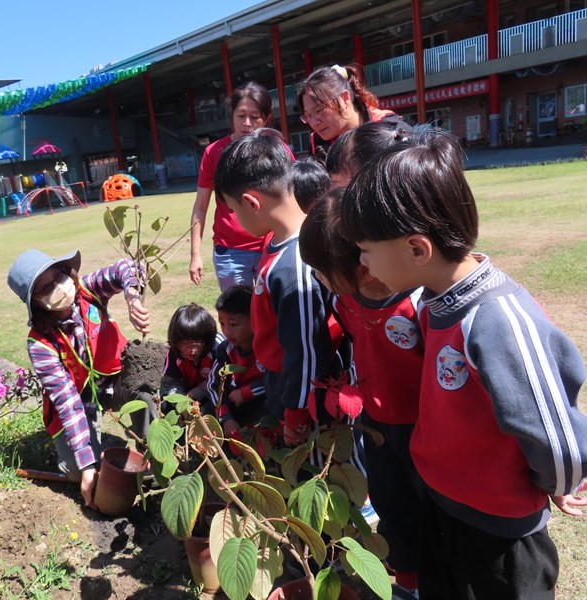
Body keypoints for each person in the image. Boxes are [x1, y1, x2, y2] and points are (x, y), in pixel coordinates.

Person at [339, 130, 587, 599]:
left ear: (416, 249)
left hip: (501, 532)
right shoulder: (435, 303)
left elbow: (558, 440)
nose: (363, 265)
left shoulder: (496, 319)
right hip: (445, 506)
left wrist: (556, 483)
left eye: (366, 250)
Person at [300, 186, 424, 599]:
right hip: (374, 424)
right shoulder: (347, 301)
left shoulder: (415, 304)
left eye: (322, 270)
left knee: (428, 508)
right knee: (391, 504)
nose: (318, 279)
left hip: (423, 429)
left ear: (365, 266)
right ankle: (406, 581)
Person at [214, 128, 349, 447]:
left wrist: (296, 414)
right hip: (278, 379)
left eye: (233, 211)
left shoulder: (295, 265)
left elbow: (303, 349)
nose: (235, 218)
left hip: (301, 392)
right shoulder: (276, 243)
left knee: (303, 458)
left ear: (251, 202)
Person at [7, 249, 154, 508]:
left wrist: (132, 297)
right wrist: (87, 465)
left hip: (114, 381)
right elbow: (67, 403)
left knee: (145, 386)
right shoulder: (40, 344)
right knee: (79, 472)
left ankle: (153, 455)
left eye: (58, 276)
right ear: (36, 302)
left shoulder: (88, 292)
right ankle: (107, 447)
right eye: (45, 287)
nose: (58, 286)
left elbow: (129, 266)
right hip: (80, 401)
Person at [189, 81, 288, 292]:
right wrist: (195, 255)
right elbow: (201, 207)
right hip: (230, 253)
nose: (247, 123)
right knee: (238, 318)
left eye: (255, 117)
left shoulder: (280, 151)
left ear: (267, 118)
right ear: (231, 116)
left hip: (272, 246)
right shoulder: (214, 152)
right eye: (241, 116)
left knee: (273, 315)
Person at [296, 63, 402, 164]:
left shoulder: (391, 130)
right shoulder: (318, 145)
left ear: (345, 98)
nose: (314, 123)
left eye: (319, 110)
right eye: (308, 116)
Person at [207, 284, 265, 438]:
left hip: (263, 400)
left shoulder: (267, 347)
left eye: (233, 324)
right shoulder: (225, 350)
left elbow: (277, 382)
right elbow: (215, 385)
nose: (227, 331)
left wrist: (247, 392)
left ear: (254, 319)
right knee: (206, 410)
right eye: (222, 324)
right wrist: (225, 418)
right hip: (238, 401)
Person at [160, 303, 218, 412]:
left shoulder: (217, 349)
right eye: (183, 344)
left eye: (195, 344)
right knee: (164, 406)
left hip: (212, 394)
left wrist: (198, 392)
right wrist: (182, 403)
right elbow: (170, 383)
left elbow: (222, 382)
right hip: (186, 394)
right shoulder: (174, 352)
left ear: (206, 339)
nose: (190, 350)